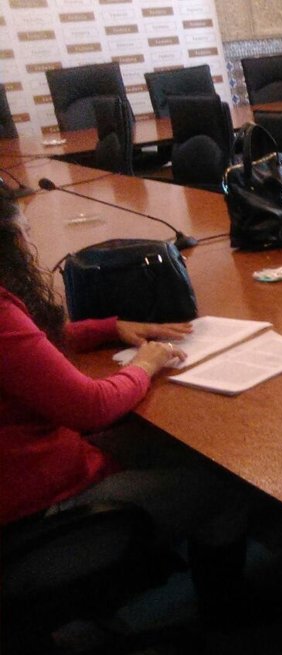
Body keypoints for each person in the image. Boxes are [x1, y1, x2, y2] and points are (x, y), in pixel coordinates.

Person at [0, 195, 255, 623]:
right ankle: (228, 616)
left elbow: (24, 347)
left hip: (27, 495)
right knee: (225, 482)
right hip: (38, 526)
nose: (31, 242)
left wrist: (108, 328)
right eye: (24, 232)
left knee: (181, 444)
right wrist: (145, 365)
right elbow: (91, 407)